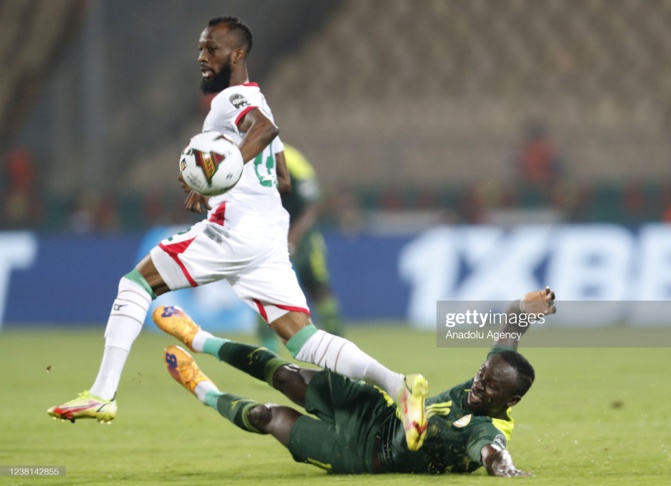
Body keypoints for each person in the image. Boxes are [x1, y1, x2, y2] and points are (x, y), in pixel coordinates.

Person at [47, 16, 428, 451]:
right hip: (267, 234)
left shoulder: (229, 100)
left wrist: (220, 169)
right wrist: (212, 182)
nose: (202, 57)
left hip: (236, 230)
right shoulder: (259, 99)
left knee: (136, 283)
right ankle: (399, 384)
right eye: (200, 49)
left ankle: (102, 393)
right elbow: (282, 177)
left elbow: (265, 133)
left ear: (238, 54)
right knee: (303, 339)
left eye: (212, 48)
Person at [159, 287, 556, 476]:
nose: (478, 385)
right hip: (375, 413)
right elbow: (510, 326)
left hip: (361, 456)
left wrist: (505, 468)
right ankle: (199, 337)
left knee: (267, 415)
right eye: (481, 375)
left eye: (487, 388)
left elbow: (492, 453)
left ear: (510, 401)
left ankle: (202, 388)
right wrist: (523, 307)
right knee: (284, 374)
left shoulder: (486, 428)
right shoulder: (498, 373)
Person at [258, 143, 344, 350]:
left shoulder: (292, 160)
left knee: (317, 286)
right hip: (270, 235)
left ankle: (338, 344)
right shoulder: (247, 159)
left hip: (302, 234)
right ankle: (270, 355)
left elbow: (313, 204)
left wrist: (294, 235)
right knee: (264, 291)